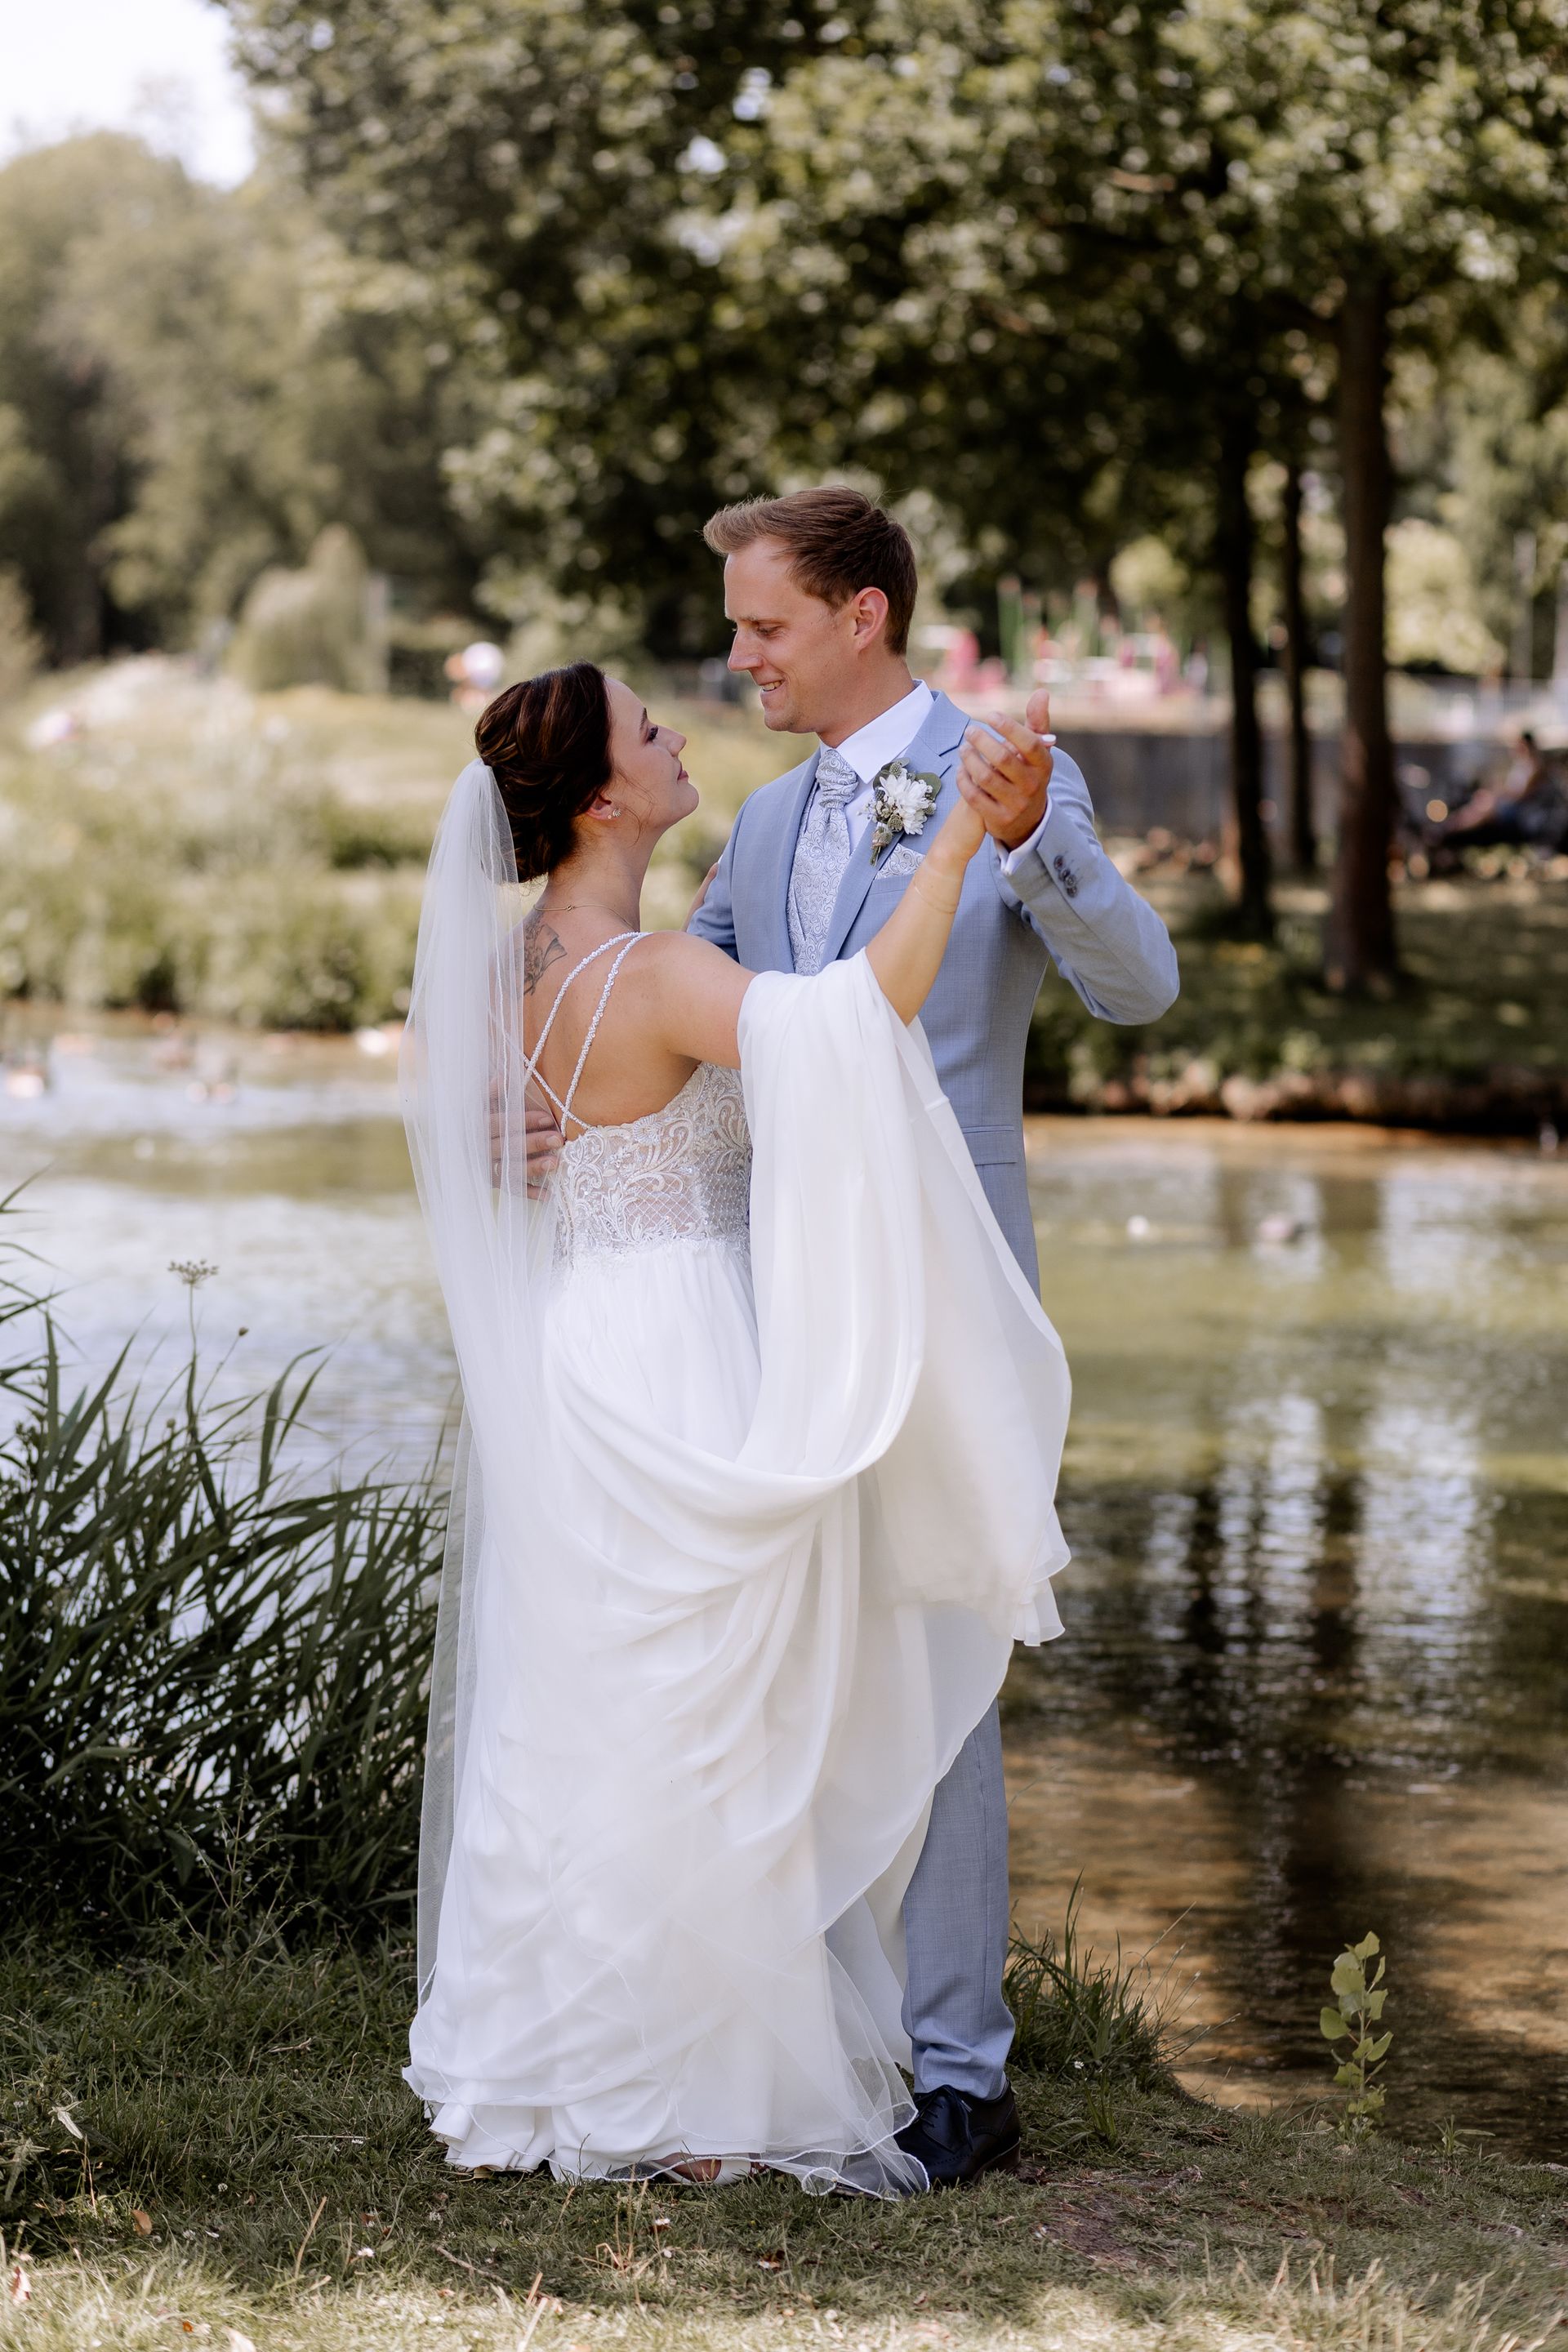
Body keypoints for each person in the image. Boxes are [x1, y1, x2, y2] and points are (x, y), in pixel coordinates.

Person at [401, 658, 1074, 2198]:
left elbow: (471, 1116)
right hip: (682, 1346)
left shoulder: (505, 970)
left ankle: (561, 2051)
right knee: (708, 1712)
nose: (676, 734)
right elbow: (855, 1020)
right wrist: (958, 840)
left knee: (592, 1696)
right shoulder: (643, 980)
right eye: (647, 730)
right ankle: (690, 2084)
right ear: (600, 797)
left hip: (577, 1345)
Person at [685, 490, 1178, 2186]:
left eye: (764, 625)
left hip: (951, 1289)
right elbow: (684, 1015)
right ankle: (820, 2037)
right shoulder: (762, 824)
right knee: (802, 1653)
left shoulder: (1008, 775)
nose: (741, 655)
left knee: (951, 1660)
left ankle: (963, 2072)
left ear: (863, 616)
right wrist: (545, 1067)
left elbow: (1139, 988)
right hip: (782, 1293)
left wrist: (1039, 845)